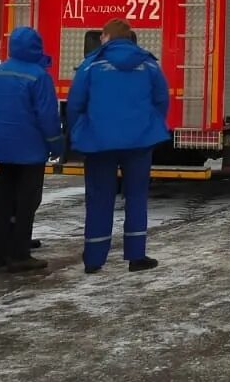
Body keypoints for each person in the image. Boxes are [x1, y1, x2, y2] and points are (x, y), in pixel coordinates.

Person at [68, 19, 169, 274]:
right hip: (139, 142)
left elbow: (75, 103)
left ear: (105, 37)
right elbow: (161, 100)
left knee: (99, 198)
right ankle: (136, 257)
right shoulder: (148, 64)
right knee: (136, 197)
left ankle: (94, 259)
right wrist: (149, 126)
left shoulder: (91, 65)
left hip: (99, 142)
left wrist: (78, 132)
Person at [0, 27, 62, 273]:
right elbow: (48, 116)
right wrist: (56, 143)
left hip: (2, 145)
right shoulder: (38, 76)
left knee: (3, 199)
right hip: (29, 148)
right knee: (27, 200)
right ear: (36, 47)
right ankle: (19, 254)